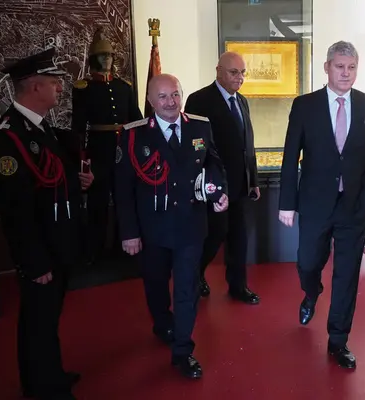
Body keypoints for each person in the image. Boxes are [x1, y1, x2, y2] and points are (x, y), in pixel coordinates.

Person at [0, 48, 94, 400]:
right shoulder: (9, 137)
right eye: (54, 82)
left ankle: (49, 376)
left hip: (57, 242)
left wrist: (77, 182)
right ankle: (42, 387)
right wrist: (34, 261)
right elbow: (16, 210)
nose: (60, 89)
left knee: (48, 320)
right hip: (41, 252)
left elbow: (50, 178)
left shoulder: (39, 127)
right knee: (37, 321)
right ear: (34, 87)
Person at [278, 41, 365, 369]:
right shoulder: (305, 105)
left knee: (347, 274)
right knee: (308, 262)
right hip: (314, 203)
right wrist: (287, 204)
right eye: (339, 66)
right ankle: (311, 292)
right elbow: (289, 158)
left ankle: (338, 340)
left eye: (351, 67)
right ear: (327, 67)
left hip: (354, 206)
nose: (345, 73)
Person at [114, 73, 228, 379]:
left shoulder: (199, 126)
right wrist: (129, 232)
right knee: (155, 284)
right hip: (152, 229)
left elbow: (213, 164)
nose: (170, 102)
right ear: (150, 102)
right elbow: (123, 190)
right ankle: (163, 322)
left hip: (191, 224)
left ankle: (183, 350)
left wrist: (219, 192)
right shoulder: (133, 135)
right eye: (162, 97)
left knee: (187, 289)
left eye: (175, 94)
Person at [184, 51, 260, 305]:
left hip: (240, 184)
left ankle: (238, 286)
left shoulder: (242, 101)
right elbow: (195, 147)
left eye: (242, 73)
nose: (239, 78)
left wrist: (254, 181)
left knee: (239, 238)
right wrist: (206, 184)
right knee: (214, 234)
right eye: (233, 72)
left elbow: (247, 145)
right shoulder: (199, 100)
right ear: (218, 71)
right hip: (214, 185)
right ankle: (194, 276)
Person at [71, 27, 143, 264]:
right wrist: (82, 158)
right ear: (94, 59)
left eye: (110, 55)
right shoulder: (84, 88)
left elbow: (135, 120)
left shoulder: (125, 87)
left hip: (123, 151)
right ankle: (96, 252)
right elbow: (79, 126)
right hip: (98, 151)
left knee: (124, 198)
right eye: (103, 56)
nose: (108, 59)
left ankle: (124, 249)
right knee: (97, 203)